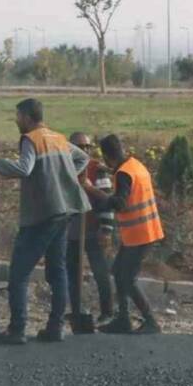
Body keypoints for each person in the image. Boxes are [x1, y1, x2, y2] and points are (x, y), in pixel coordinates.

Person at [0, 99, 89, 345]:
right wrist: (63, 179)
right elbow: (82, 159)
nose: (16, 120)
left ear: (28, 117)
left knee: (19, 273)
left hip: (42, 215)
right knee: (57, 271)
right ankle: (55, 327)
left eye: (18, 116)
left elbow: (24, 168)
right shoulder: (58, 138)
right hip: (64, 212)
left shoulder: (30, 139)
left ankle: (17, 330)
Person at [84, 135, 166, 335]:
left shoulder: (123, 174)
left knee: (126, 278)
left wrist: (92, 190)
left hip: (140, 234)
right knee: (118, 272)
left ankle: (150, 321)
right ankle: (123, 319)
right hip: (144, 231)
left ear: (107, 156)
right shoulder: (135, 165)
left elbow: (120, 203)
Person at [65, 132, 115, 333]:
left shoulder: (97, 169)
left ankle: (107, 311)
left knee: (101, 272)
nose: (84, 150)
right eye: (79, 146)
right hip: (73, 229)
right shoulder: (66, 169)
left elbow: (107, 200)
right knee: (72, 273)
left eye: (87, 147)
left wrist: (106, 229)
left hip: (94, 228)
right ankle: (77, 309)